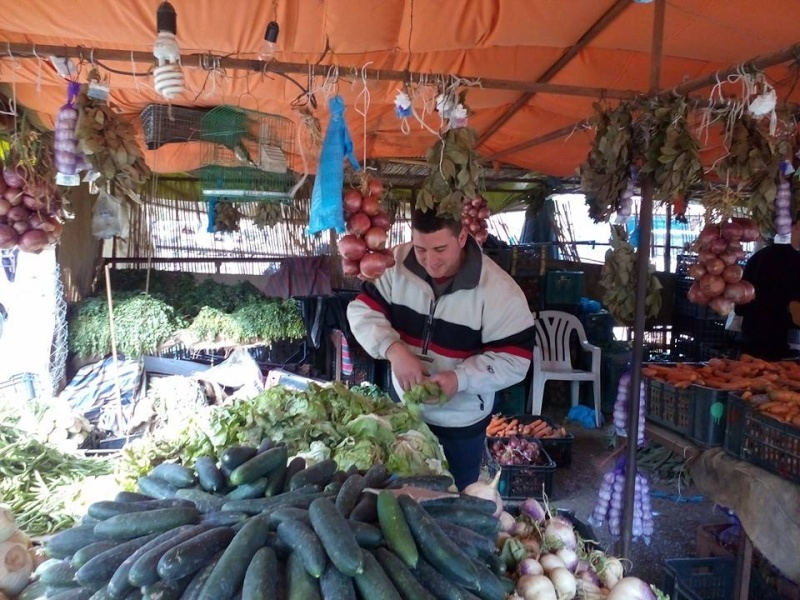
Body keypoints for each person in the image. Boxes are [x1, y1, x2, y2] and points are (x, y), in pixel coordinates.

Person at [347, 208, 536, 490]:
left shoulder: (499, 290)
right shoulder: (395, 264)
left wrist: (460, 379)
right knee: (399, 496)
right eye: (420, 248)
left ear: (462, 237)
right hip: (403, 414)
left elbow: (515, 360)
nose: (430, 261)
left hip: (461, 424)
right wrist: (394, 349)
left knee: (453, 501)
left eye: (440, 249)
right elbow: (362, 310)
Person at [735, 217, 800, 360]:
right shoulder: (796, 260)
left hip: (751, 338)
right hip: (779, 344)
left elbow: (739, 307)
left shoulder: (760, 255)